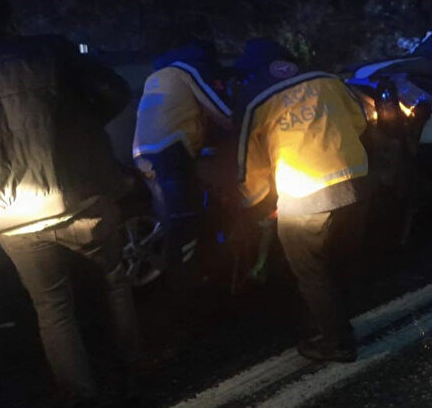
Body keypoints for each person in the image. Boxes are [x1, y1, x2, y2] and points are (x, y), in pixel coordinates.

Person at [0, 0, 141, 407]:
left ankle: (80, 393)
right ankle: (131, 370)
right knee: (112, 281)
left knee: (52, 306)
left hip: (7, 214)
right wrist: (79, 130)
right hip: (78, 194)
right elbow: (113, 91)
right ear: (10, 21)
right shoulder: (48, 51)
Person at [235, 38, 369, 362]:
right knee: (340, 261)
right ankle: (340, 321)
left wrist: (255, 200)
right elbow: (359, 121)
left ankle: (336, 343)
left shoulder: (255, 97)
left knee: (311, 271)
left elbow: (248, 160)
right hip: (355, 183)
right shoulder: (327, 78)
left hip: (304, 193)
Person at [132, 41, 232, 277]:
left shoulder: (156, 76)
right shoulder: (188, 70)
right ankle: (194, 279)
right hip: (170, 149)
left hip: (141, 152)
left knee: (168, 218)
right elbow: (222, 111)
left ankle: (170, 275)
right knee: (186, 219)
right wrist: (238, 125)